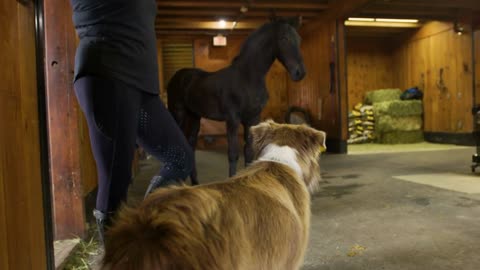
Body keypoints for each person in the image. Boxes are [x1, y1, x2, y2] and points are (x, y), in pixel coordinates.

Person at [69, 0, 194, 244]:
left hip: (142, 83)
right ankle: (114, 257)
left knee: (181, 157)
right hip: (108, 68)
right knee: (116, 177)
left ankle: (144, 226)